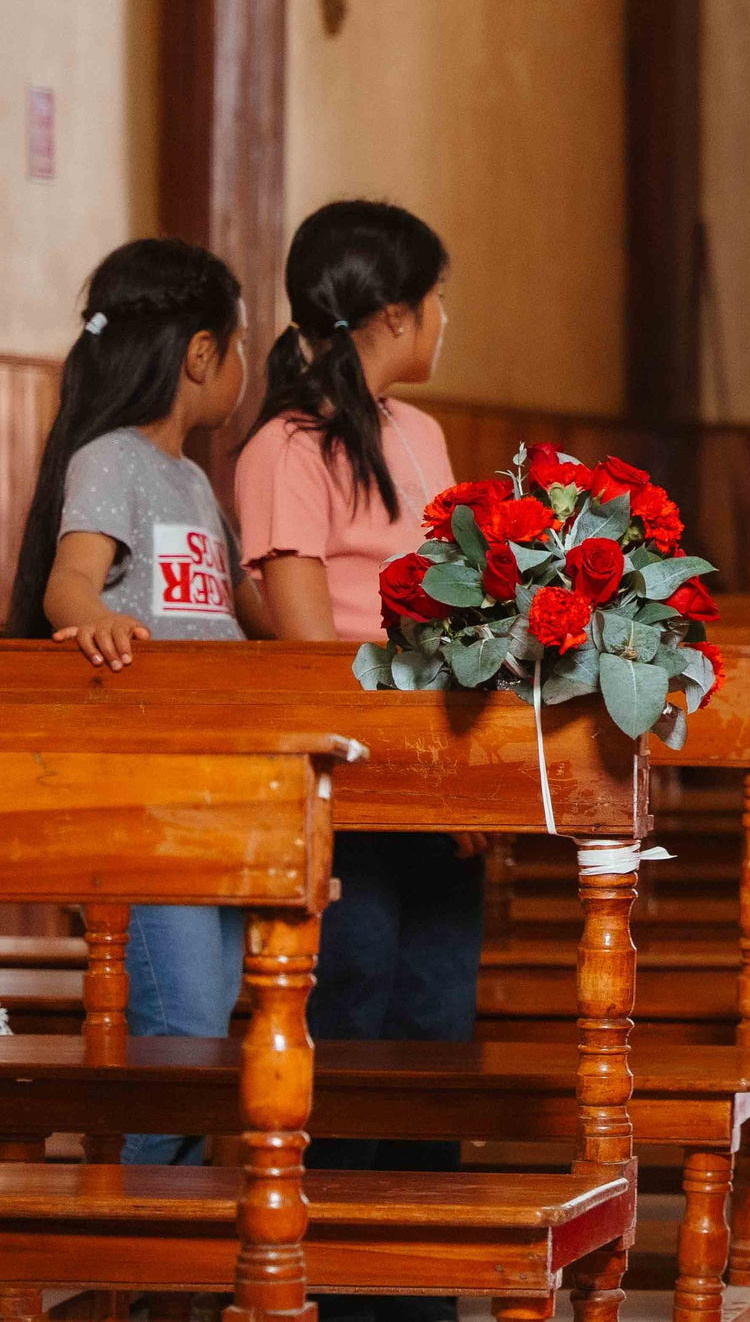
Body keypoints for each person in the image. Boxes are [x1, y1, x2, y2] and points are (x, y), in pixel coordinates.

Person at [232, 200, 467, 1322]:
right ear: (394, 314)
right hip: (345, 785)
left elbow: (464, 613)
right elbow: (302, 646)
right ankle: (335, 1294)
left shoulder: (421, 436)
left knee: (438, 1031)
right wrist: (396, 763)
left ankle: (421, 1293)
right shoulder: (287, 449)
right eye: (438, 298)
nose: (446, 318)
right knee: (355, 1023)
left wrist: (467, 779)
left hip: (439, 777)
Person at [4, 239, 267, 1162]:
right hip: (151, 789)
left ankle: (171, 1238)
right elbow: (68, 584)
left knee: (207, 1028)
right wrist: (96, 623)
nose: (243, 364)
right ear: (200, 354)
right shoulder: (111, 458)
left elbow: (247, 612)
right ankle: (141, 1231)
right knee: (179, 1026)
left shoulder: (191, 477)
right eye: (239, 344)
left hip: (218, 784)